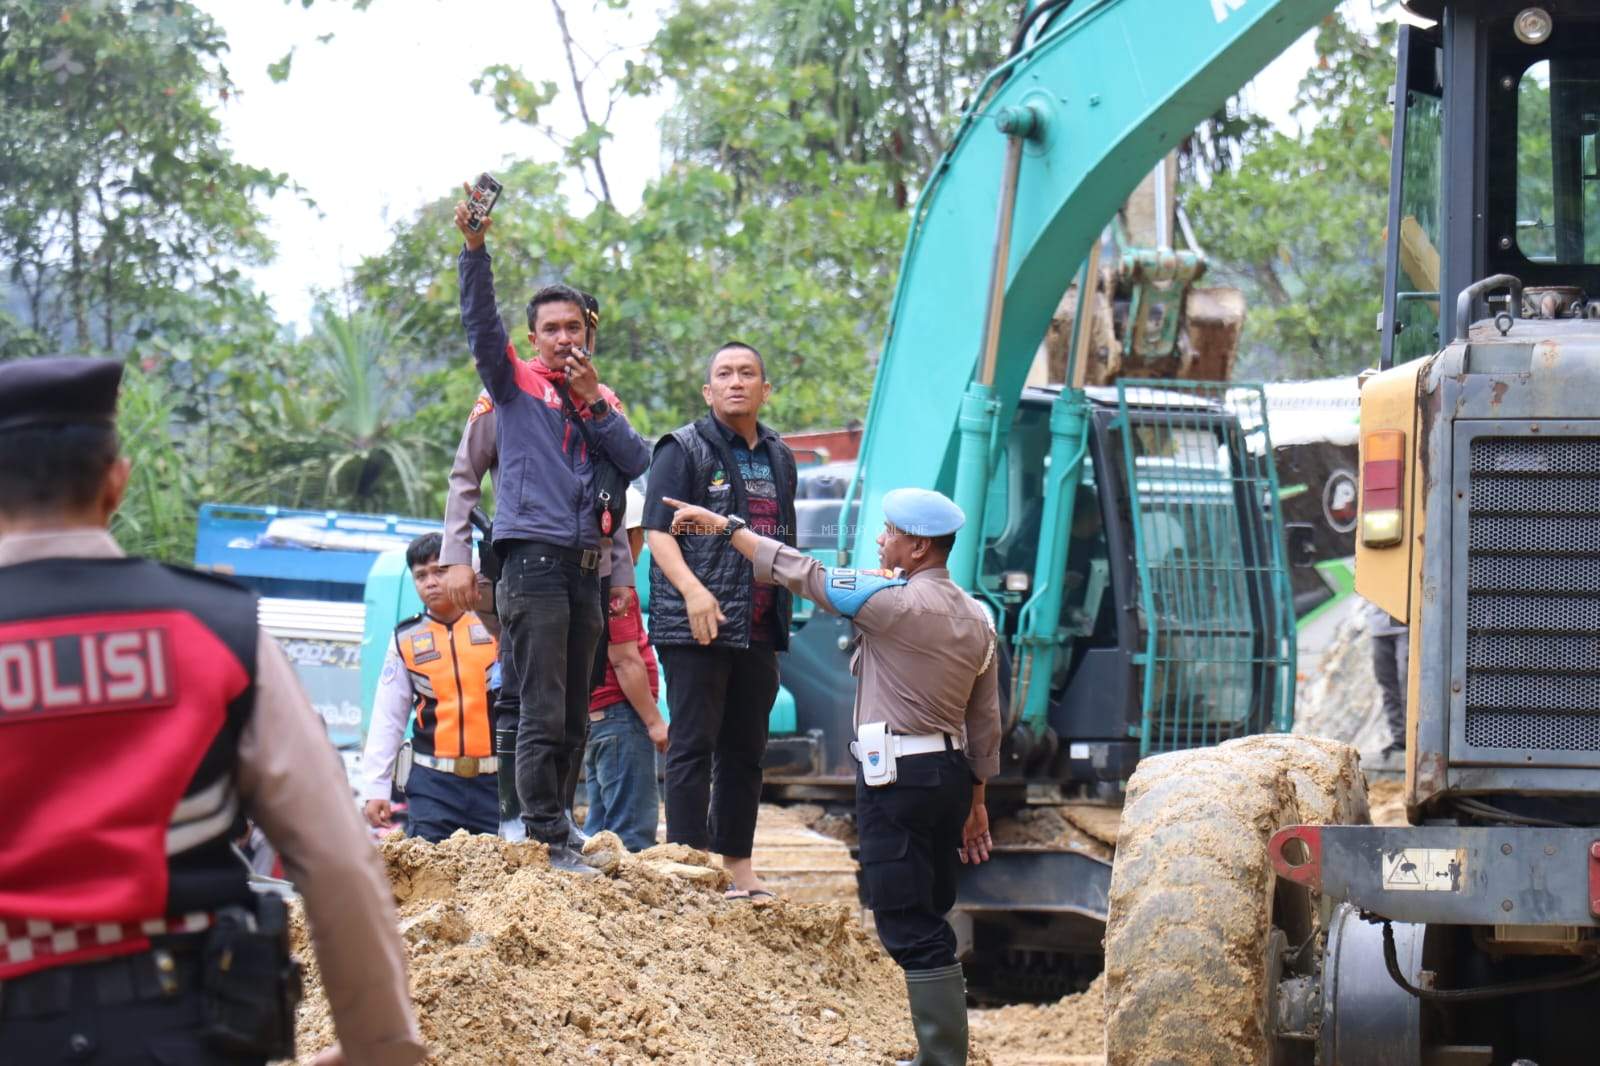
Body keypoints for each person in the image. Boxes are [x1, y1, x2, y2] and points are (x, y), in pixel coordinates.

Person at [0, 357, 424, 1066]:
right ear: (116, 483)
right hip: (187, 1030)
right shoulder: (216, 631)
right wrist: (377, 1047)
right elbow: (336, 859)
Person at [663, 486, 999, 1066]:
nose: (881, 539)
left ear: (918, 547)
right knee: (930, 910)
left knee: (906, 921)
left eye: (890, 532)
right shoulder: (978, 617)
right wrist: (978, 801)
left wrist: (728, 528)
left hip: (898, 778)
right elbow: (984, 722)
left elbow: (803, 572)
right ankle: (942, 1052)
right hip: (949, 775)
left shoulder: (889, 603)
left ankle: (942, 1059)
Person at [454, 191, 650, 872]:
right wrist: (474, 252)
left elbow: (636, 464)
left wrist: (594, 401)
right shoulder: (512, 386)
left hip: (587, 569)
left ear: (587, 335)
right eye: (551, 329)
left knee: (573, 710)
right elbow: (481, 326)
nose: (564, 338)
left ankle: (560, 828)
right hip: (531, 562)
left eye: (573, 327)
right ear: (534, 338)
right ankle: (541, 829)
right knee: (539, 704)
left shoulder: (602, 399)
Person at [642, 342, 798, 899]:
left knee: (745, 750)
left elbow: (780, 539)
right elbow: (657, 530)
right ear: (708, 391)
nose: (736, 382)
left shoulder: (780, 455)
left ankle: (738, 867)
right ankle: (688, 867)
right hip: (697, 623)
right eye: (725, 374)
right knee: (692, 745)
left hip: (759, 623)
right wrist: (693, 593)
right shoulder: (681, 447)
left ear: (765, 390)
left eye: (747, 373)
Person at [360, 533, 501, 843]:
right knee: (429, 867)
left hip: (497, 783)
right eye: (421, 575)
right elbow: (387, 718)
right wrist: (375, 787)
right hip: (432, 786)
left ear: (460, 570)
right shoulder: (405, 638)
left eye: (439, 571)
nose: (431, 582)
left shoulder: (494, 627)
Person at [584, 487, 669, 851]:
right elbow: (624, 659)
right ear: (627, 536)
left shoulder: (586, 582)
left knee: (600, 831)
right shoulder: (618, 591)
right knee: (630, 834)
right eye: (640, 536)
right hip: (622, 718)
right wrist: (654, 721)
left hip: (598, 719)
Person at [1365, 598, 1409, 758]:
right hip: (1378, 628)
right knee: (1388, 686)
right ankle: (1400, 739)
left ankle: (1416, 736)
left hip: (1404, 624)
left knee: (1408, 684)